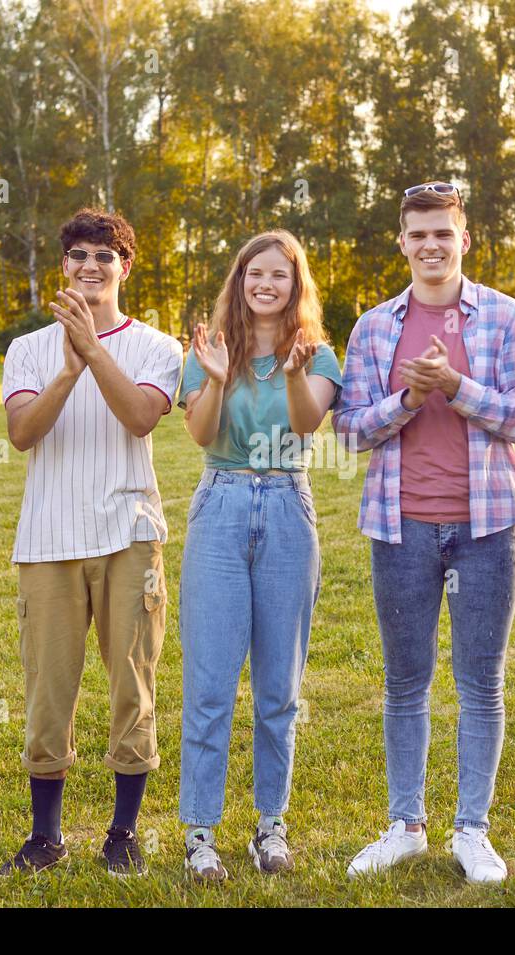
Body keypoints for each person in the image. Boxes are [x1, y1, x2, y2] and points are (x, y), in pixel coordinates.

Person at [337, 182, 515, 884]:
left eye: (443, 234)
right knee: (405, 680)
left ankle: (473, 829)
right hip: (401, 527)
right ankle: (406, 824)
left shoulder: (505, 318)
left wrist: (455, 386)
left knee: (482, 681)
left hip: (487, 525)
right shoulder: (373, 327)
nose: (431, 246)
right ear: (402, 241)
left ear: (464, 239)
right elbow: (350, 429)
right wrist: (408, 399)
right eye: (418, 234)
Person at [0, 208, 182, 877]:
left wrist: (94, 350)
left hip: (129, 536)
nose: (91, 266)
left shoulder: (160, 347)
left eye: (106, 256)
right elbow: (22, 434)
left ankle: (123, 832)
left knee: (132, 685)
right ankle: (46, 836)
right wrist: (70, 368)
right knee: (49, 691)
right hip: (48, 539)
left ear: (124, 268)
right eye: (78, 255)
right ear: (64, 265)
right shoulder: (28, 349)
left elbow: (138, 417)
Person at [176, 230, 342, 882]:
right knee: (211, 684)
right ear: (240, 282)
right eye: (254, 274)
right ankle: (200, 833)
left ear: (295, 284)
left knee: (280, 688)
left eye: (279, 274)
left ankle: (271, 823)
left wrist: (297, 373)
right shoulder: (210, 350)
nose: (265, 284)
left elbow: (306, 426)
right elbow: (199, 432)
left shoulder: (319, 354)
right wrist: (215, 380)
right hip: (219, 506)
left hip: (286, 508)